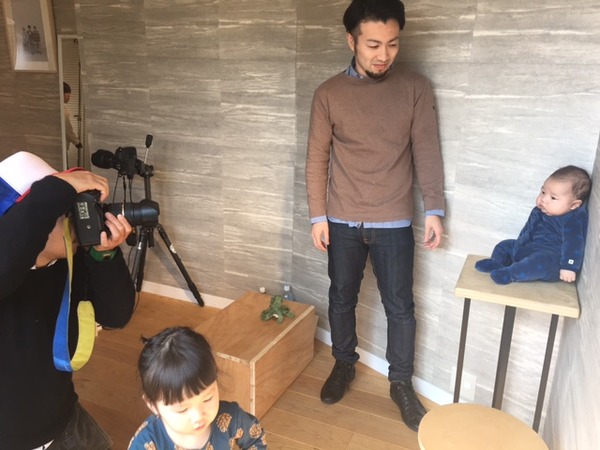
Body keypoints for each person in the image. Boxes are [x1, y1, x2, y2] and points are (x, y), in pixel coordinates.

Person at [305, 0, 445, 433]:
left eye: (392, 44)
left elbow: (427, 150)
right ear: (351, 41)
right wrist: (317, 216)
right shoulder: (328, 93)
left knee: (400, 307)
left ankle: (400, 383)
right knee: (341, 298)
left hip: (394, 222)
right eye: (373, 45)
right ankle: (344, 363)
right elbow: (316, 158)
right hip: (342, 220)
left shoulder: (416, 88)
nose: (384, 54)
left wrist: (435, 209)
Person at [0, 151, 136, 449]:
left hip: (63, 417)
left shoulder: (68, 264)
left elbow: (116, 315)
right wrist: (55, 190)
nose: (76, 222)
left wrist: (104, 256)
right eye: (64, 211)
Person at [128, 326, 267, 449]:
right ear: (152, 405)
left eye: (207, 399)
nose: (198, 416)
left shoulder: (230, 417)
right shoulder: (145, 443)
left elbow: (255, 438)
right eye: (182, 409)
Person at [475, 165, 591, 284]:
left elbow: (574, 243)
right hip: (524, 248)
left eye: (553, 197)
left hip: (549, 256)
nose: (543, 199)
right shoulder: (541, 210)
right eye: (543, 192)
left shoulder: (573, 219)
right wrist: (519, 246)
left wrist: (569, 266)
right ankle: (496, 263)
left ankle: (510, 274)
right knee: (504, 245)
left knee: (541, 261)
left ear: (574, 205)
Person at [63, 82, 82, 159]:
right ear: (62, 94)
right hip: (61, 147)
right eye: (68, 95)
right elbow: (67, 129)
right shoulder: (63, 111)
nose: (69, 97)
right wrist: (77, 142)